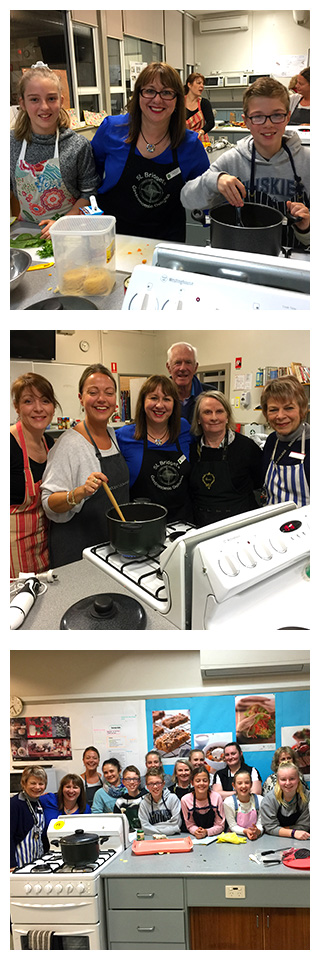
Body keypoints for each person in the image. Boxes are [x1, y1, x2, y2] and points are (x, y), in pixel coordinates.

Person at [181, 77, 310, 250]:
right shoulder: (232, 161)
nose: (268, 124)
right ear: (246, 121)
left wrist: (307, 228)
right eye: (257, 117)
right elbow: (187, 199)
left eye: (277, 115)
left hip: (292, 262)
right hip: (241, 258)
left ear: (287, 117)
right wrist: (214, 180)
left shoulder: (308, 162)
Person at [91, 61, 209, 242]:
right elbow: (91, 179)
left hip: (165, 244)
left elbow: (205, 195)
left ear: (178, 99)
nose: (157, 99)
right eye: (149, 90)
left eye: (167, 92)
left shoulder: (191, 145)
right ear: (138, 94)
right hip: (112, 239)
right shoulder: (111, 129)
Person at [41, 364, 129, 567]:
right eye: (93, 392)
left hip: (109, 548)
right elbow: (48, 502)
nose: (101, 399)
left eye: (108, 392)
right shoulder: (69, 444)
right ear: (81, 397)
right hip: (78, 553)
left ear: (115, 400)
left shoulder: (112, 434)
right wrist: (79, 493)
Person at [10, 62, 100, 238]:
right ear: (22, 103)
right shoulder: (11, 143)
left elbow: (89, 193)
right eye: (34, 99)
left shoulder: (77, 145)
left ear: (61, 101)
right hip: (26, 233)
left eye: (51, 98)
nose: (44, 107)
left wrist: (62, 224)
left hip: (70, 231)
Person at [116, 375, 192, 523]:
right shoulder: (124, 436)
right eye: (153, 398)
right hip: (141, 524)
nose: (159, 405)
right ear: (143, 401)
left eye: (167, 399)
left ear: (174, 404)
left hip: (182, 524)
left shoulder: (184, 428)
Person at [10, 373, 59, 578]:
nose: (38, 408)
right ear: (17, 406)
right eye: (28, 401)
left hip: (44, 549)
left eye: (45, 401)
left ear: (53, 407)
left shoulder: (50, 444)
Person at [189, 391, 262, 527]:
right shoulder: (191, 450)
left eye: (219, 411)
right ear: (198, 419)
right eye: (207, 412)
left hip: (240, 525)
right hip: (202, 526)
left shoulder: (247, 447)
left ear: (227, 416)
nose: (214, 417)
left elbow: (259, 482)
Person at [260, 375, 310, 507]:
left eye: (288, 408)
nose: (280, 416)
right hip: (271, 520)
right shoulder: (272, 441)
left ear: (302, 409)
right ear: (266, 413)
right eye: (273, 410)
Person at [166, 342, 214, 424]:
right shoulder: (159, 397)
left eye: (188, 362)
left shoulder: (211, 394)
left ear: (195, 367)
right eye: (177, 362)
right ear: (169, 367)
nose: (183, 368)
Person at [260, 761, 310, 839]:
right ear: (278, 781)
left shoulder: (307, 797)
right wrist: (293, 832)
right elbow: (270, 827)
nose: (288, 783)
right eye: (283, 779)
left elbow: (304, 826)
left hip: (301, 839)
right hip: (274, 839)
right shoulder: (269, 800)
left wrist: (280, 830)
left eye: (292, 779)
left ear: (298, 779)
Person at [10, 766, 48, 868]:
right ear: (24, 783)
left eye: (41, 784)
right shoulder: (14, 804)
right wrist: (11, 865)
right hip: (19, 863)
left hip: (37, 860)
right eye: (33, 783)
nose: (37, 787)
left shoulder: (39, 803)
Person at [181, 764, 225, 839]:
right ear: (192, 783)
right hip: (195, 837)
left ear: (209, 782)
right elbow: (189, 825)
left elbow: (220, 825)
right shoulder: (185, 800)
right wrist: (196, 831)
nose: (201, 783)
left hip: (215, 837)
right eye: (198, 781)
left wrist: (207, 832)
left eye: (205, 780)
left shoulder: (216, 797)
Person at [139, 768, 181, 835]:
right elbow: (144, 827)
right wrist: (169, 829)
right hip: (152, 838)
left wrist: (153, 828)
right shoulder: (144, 803)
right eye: (151, 784)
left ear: (163, 783)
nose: (155, 787)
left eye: (158, 783)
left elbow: (177, 824)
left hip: (172, 837)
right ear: (146, 786)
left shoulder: (173, 798)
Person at [224, 770, 263, 840]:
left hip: (256, 838)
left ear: (251, 784)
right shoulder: (229, 802)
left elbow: (260, 824)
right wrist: (245, 831)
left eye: (247, 783)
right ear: (234, 785)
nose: (244, 786)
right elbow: (232, 826)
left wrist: (258, 831)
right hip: (236, 839)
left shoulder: (260, 800)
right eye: (239, 783)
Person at [113, 765, 147, 831]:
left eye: (134, 779)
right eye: (128, 779)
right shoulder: (120, 802)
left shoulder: (146, 798)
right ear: (123, 782)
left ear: (139, 781)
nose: (131, 782)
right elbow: (117, 824)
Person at [184, 72, 215, 145]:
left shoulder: (204, 103)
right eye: (198, 83)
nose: (202, 86)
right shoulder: (179, 103)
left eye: (203, 84)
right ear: (189, 85)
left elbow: (211, 123)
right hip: (183, 141)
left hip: (200, 141)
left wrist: (201, 132)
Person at [169, 759, 192, 831]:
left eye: (186, 770)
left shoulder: (197, 790)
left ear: (191, 772)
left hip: (193, 828)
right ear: (176, 773)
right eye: (180, 770)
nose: (184, 773)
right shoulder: (169, 791)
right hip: (174, 829)